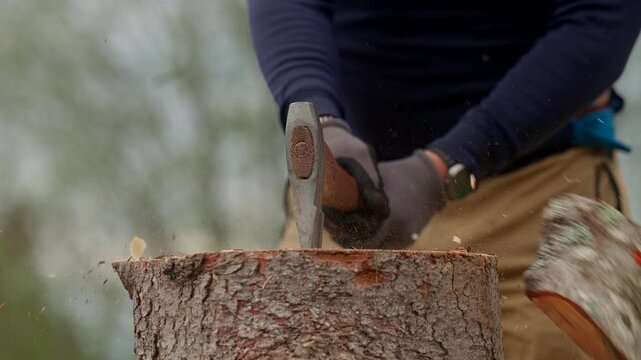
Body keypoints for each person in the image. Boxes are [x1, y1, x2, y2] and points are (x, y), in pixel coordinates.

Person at [248, 1, 641, 359]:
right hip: (344, 213)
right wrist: (322, 123)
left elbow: (602, 16)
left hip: (536, 201)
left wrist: (448, 165)